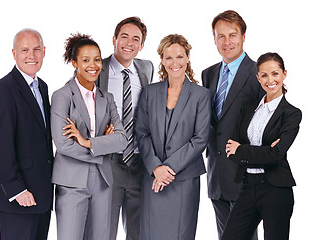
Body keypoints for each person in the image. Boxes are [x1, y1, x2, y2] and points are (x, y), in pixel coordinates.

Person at [50, 33, 127, 240]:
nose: (92, 65)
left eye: (97, 59)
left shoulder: (106, 98)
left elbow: (122, 139)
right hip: (72, 181)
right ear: (74, 63)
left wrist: (87, 142)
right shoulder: (62, 96)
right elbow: (63, 144)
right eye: (85, 60)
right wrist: (102, 147)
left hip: (102, 182)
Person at [136, 34, 210, 240]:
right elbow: (142, 133)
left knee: (181, 234)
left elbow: (200, 138)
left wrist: (168, 169)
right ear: (162, 60)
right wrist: (155, 167)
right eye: (168, 58)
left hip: (184, 179)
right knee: (151, 233)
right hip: (153, 178)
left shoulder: (201, 95)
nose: (174, 63)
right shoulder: (150, 92)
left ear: (187, 58)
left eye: (179, 57)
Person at [222, 52, 302, 240]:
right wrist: (263, 151)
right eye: (264, 75)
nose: (270, 80)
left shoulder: (291, 114)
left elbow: (275, 154)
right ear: (258, 78)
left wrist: (242, 149)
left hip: (276, 190)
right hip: (247, 187)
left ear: (284, 74)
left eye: (275, 73)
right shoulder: (248, 108)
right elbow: (230, 150)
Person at [201, 10, 265, 240]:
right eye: (221, 36)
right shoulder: (208, 74)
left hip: (245, 177)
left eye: (233, 35)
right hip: (216, 177)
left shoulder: (259, 73)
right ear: (214, 39)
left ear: (243, 36)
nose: (227, 42)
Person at [0, 28, 53, 240]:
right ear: (14, 54)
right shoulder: (3, 89)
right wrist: (17, 190)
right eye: (24, 50)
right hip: (18, 198)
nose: (31, 55)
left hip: (41, 195)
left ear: (44, 52)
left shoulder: (41, 87)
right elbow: (1, 146)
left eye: (36, 49)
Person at [96, 16, 154, 240]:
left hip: (139, 163)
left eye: (136, 39)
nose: (129, 43)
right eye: (124, 36)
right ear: (114, 39)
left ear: (141, 46)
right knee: (104, 231)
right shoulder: (96, 68)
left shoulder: (146, 68)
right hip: (109, 163)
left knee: (139, 232)